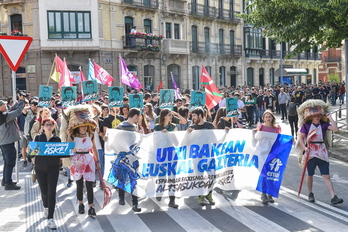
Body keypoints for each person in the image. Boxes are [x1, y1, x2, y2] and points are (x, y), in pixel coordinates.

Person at [297, 101, 343, 205]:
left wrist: (330, 118)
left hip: (322, 151)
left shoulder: (324, 124)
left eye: (318, 115)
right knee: (310, 174)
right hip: (310, 152)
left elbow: (335, 129)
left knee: (326, 175)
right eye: (315, 115)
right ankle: (310, 193)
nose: (317, 117)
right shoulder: (306, 125)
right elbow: (300, 138)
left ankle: (333, 197)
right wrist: (305, 147)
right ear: (311, 116)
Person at [32, 117, 64, 230]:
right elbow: (33, 153)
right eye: (47, 124)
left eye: (51, 124)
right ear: (43, 127)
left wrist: (70, 150)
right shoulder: (38, 137)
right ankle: (46, 207)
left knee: (52, 192)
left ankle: (51, 218)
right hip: (40, 168)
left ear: (54, 126)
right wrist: (31, 154)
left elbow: (62, 153)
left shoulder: (57, 139)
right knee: (44, 192)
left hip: (53, 169)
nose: (49, 126)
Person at [68, 112, 99, 217]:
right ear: (78, 127)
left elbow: (94, 148)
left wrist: (97, 161)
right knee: (79, 184)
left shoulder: (91, 134)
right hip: (77, 160)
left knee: (90, 184)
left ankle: (91, 207)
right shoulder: (73, 135)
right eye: (82, 125)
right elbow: (69, 147)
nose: (84, 127)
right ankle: (81, 203)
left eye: (86, 125)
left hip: (89, 160)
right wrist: (68, 134)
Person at [114, 108, 142, 212]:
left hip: (133, 156)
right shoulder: (121, 126)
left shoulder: (135, 126)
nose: (139, 118)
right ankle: (121, 196)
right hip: (123, 155)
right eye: (138, 116)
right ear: (135, 115)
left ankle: (135, 203)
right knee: (122, 177)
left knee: (133, 179)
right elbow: (114, 138)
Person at [187, 107, 215, 206]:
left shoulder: (209, 125)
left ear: (200, 115)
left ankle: (209, 194)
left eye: (194, 115)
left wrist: (225, 133)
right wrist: (188, 133)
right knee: (199, 176)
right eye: (192, 115)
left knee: (212, 176)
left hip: (209, 155)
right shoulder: (192, 126)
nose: (192, 117)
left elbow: (215, 139)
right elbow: (187, 142)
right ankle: (201, 196)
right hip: (198, 156)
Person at [153, 109, 179, 208]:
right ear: (164, 116)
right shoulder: (157, 127)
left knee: (172, 177)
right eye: (169, 115)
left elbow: (176, 142)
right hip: (162, 154)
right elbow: (154, 142)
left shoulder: (173, 127)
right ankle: (159, 191)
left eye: (171, 115)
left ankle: (172, 199)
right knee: (161, 175)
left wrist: (168, 133)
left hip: (172, 153)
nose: (171, 117)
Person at [255, 110, 281, 204]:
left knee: (271, 174)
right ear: (263, 118)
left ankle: (270, 193)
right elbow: (255, 136)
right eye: (266, 117)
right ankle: (263, 194)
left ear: (272, 118)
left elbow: (280, 139)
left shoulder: (276, 128)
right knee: (264, 174)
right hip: (263, 153)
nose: (268, 118)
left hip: (273, 153)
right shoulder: (261, 127)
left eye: (269, 117)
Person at [0, 95, 25, 190]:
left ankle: (5, 180)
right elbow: (17, 112)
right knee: (10, 162)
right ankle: (8, 184)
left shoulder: (3, 115)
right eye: (3, 105)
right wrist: (22, 102)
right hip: (6, 142)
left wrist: (18, 102)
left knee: (7, 162)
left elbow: (11, 110)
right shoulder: (3, 116)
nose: (6, 106)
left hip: (4, 142)